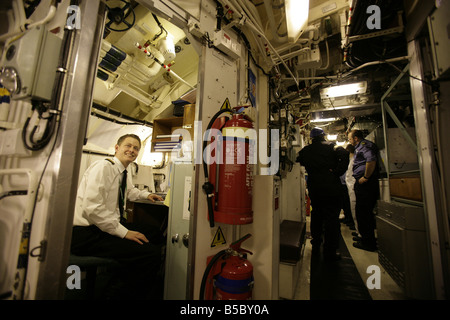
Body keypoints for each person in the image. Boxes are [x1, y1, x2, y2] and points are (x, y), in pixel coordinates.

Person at [71, 134, 164, 299]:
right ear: (117, 148)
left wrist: (147, 195)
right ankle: (116, 293)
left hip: (103, 227)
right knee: (150, 254)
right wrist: (124, 233)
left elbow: (128, 191)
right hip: (86, 234)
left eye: (136, 148)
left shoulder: (122, 171)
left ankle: (125, 273)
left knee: (154, 233)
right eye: (128, 146)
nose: (132, 150)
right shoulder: (103, 167)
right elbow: (92, 209)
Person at [297, 127, 349, 261]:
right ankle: (330, 250)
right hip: (331, 186)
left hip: (315, 187)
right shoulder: (332, 147)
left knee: (317, 214)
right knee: (332, 218)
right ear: (323, 136)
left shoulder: (306, 150)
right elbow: (344, 155)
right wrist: (337, 172)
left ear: (312, 138)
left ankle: (316, 243)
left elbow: (298, 160)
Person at [348, 129, 380, 252]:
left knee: (364, 213)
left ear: (356, 138)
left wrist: (366, 177)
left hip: (366, 185)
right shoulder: (360, 148)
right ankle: (365, 238)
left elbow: (371, 160)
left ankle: (368, 243)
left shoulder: (365, 146)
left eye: (350, 139)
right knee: (362, 213)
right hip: (363, 184)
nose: (349, 142)